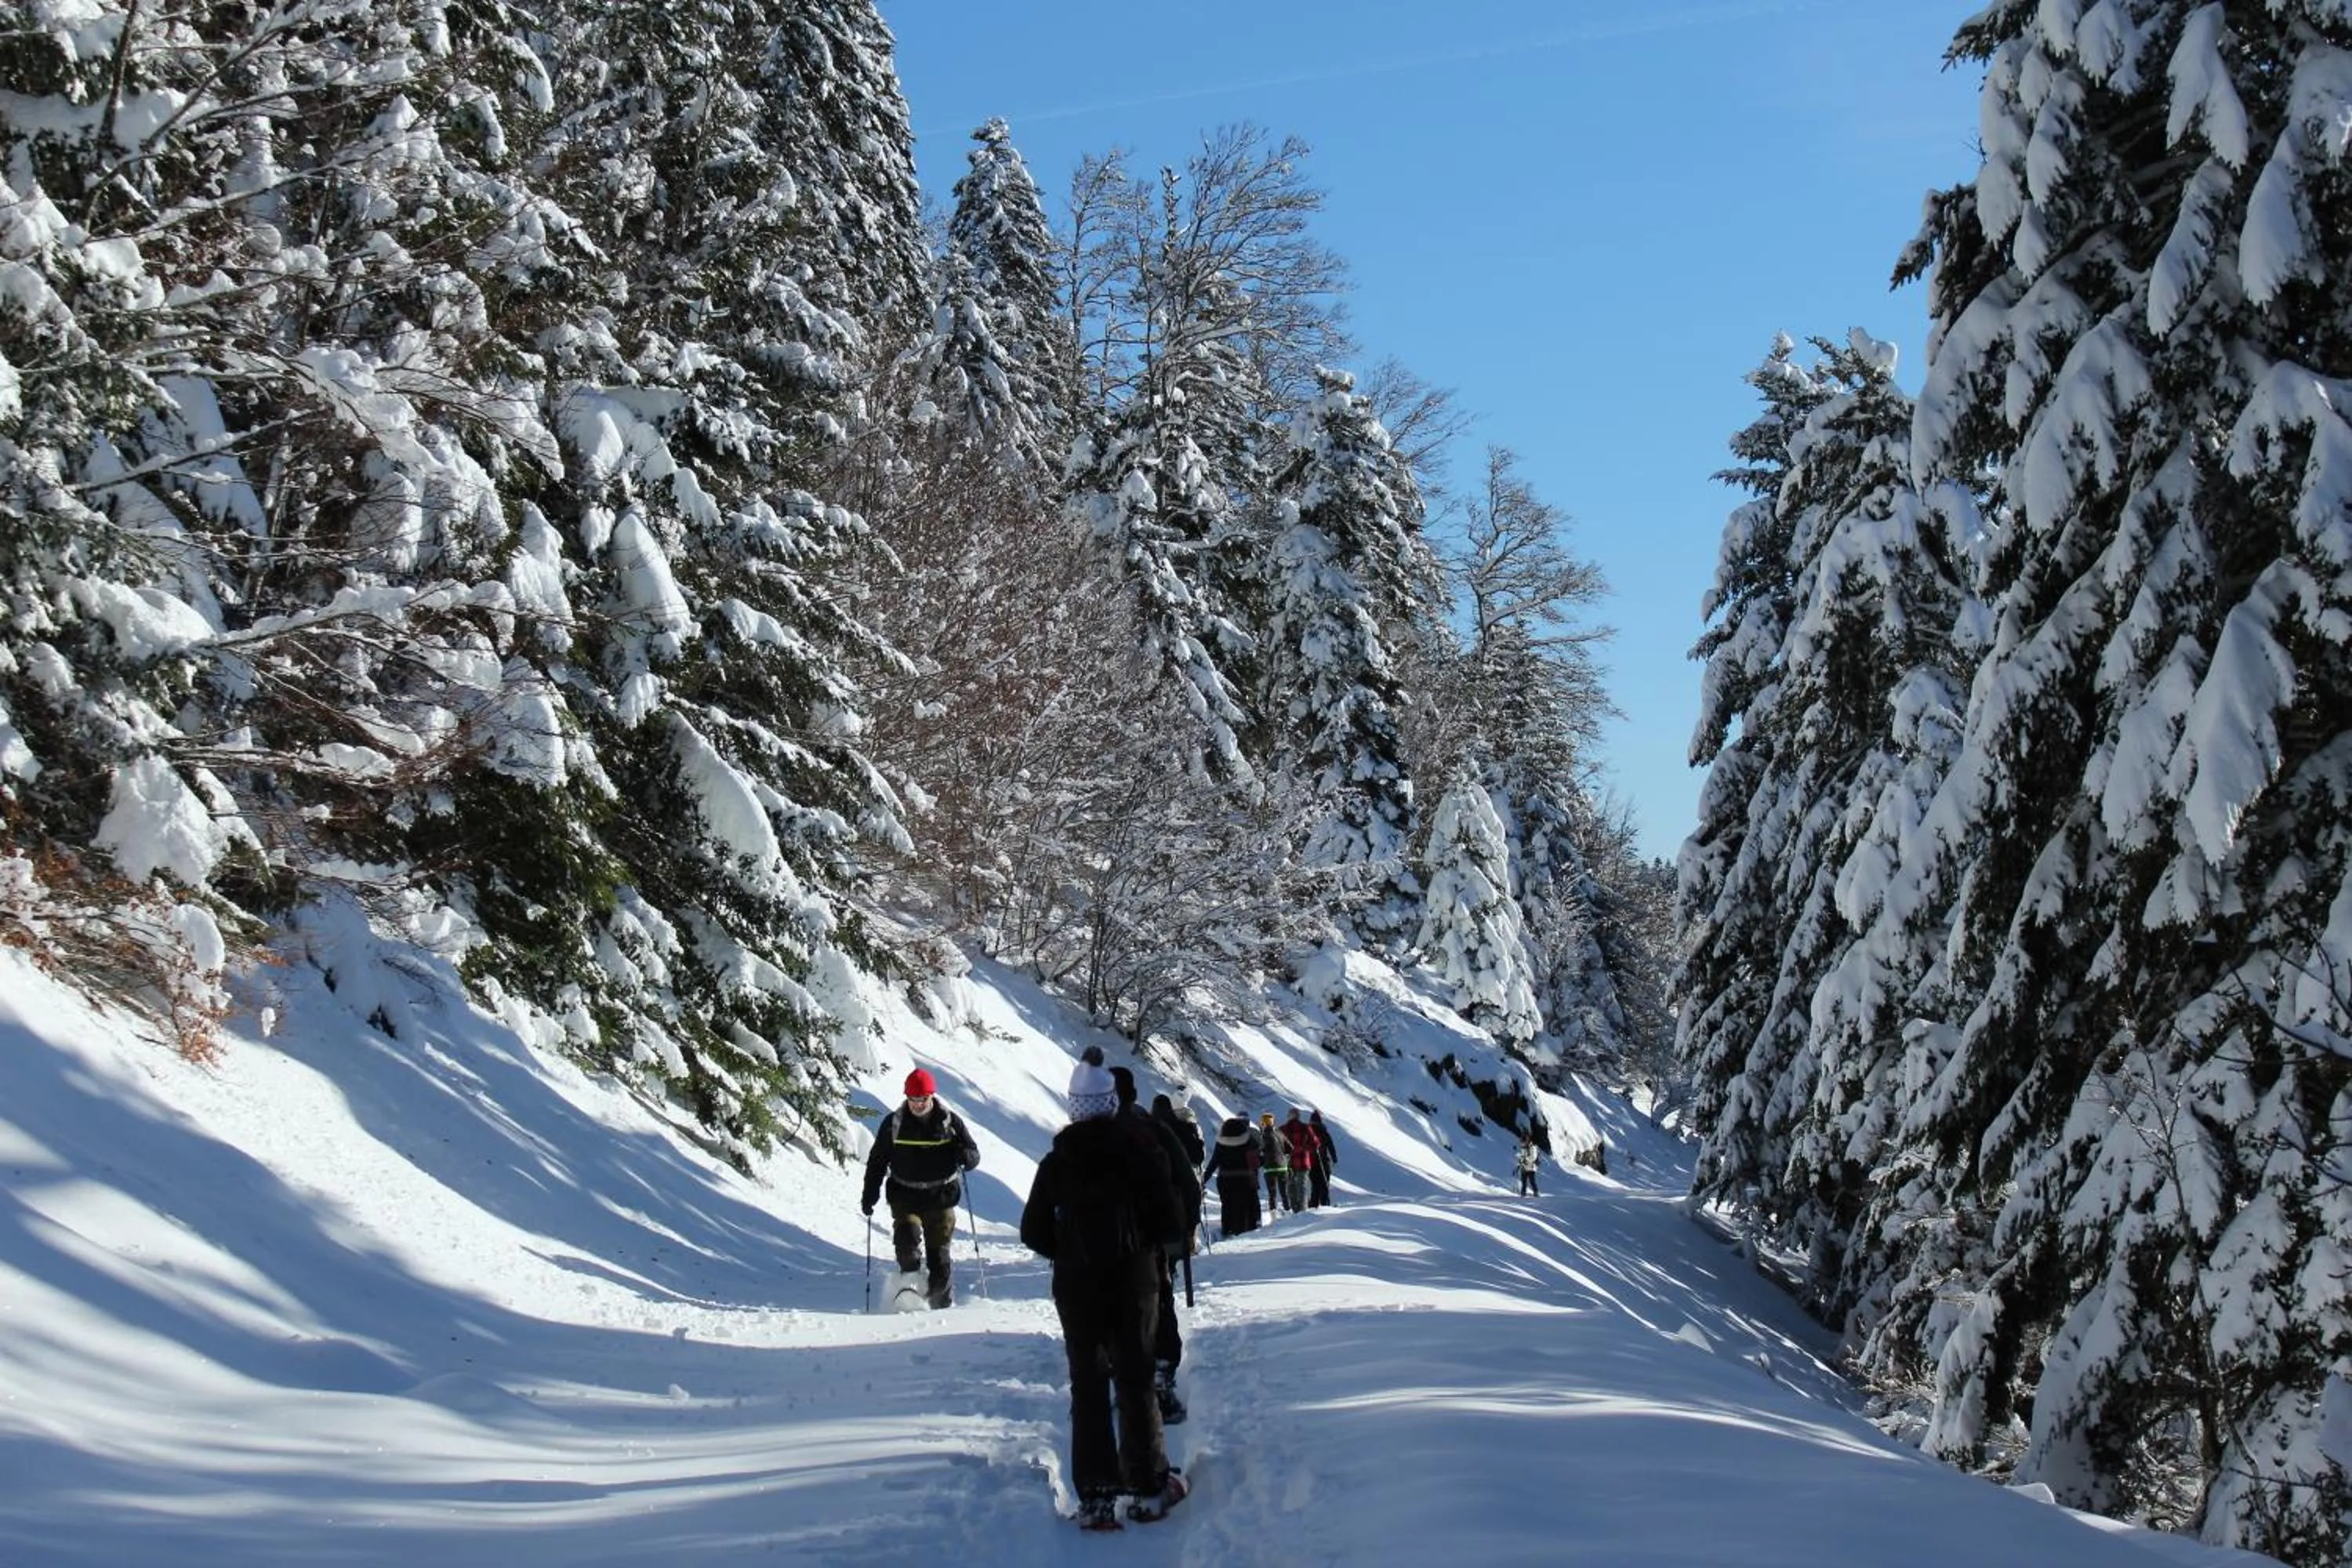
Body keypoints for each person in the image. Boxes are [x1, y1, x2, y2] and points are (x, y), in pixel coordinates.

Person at [1020, 1059, 1190, 1528]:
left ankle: (1095, 1495)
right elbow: (1170, 1222)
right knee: (1135, 1377)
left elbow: (1032, 1231)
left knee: (1089, 1383)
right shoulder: (1141, 1152)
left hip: (1077, 1286)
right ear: (1112, 1104)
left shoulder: (1058, 1162)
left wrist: (1066, 1250)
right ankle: (1148, 1485)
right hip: (1133, 1280)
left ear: (1074, 1108)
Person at [1113, 1068, 1199, 1425]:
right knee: (1160, 1301)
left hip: (1103, 1244)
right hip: (1154, 1239)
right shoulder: (1154, 1130)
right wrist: (1185, 1228)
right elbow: (1189, 1184)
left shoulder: (1086, 1134)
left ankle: (1125, 1376)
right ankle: (1161, 1376)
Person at [860, 1068, 980, 1308]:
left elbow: (973, 1153)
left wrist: (966, 1156)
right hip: (905, 1196)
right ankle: (911, 1293)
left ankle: (941, 1306)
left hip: (941, 1198)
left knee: (939, 1260)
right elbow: (877, 1162)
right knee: (907, 1242)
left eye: (922, 1099)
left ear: (931, 1096)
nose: (917, 1104)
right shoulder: (894, 1124)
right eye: (913, 1099)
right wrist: (869, 1194)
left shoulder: (949, 1122)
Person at [1203, 1115, 1261, 1236]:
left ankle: (1227, 1230)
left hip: (1224, 1179)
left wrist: (1203, 1179)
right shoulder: (1249, 1140)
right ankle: (1246, 1231)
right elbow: (1258, 1159)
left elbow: (1214, 1162)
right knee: (1245, 1207)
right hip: (1244, 1178)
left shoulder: (1221, 1142)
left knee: (1227, 1206)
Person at [1279, 1107, 1315, 1214]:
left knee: (1291, 1187)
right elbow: (1315, 1144)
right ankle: (1302, 1212)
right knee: (1301, 1186)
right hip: (1302, 1161)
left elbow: (1277, 1146)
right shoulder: (1306, 1128)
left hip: (1288, 1162)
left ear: (1289, 1116)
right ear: (1299, 1116)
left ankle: (1295, 1211)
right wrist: (1303, 1148)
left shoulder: (1282, 1129)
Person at [1258, 1111, 1288, 1217]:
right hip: (1283, 1167)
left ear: (1263, 1123)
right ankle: (1289, 1215)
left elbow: (1260, 1151)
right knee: (1284, 1194)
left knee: (1272, 1195)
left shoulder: (1263, 1136)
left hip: (1270, 1168)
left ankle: (1273, 1217)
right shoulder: (1280, 1133)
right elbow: (1290, 1148)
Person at [1308, 1109, 1338, 1208]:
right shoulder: (1324, 1132)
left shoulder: (1308, 1133)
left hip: (1311, 1163)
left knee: (1315, 1186)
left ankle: (1314, 1205)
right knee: (1324, 1184)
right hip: (1323, 1162)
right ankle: (1324, 1205)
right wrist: (1334, 1159)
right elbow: (1331, 1146)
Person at [1515, 1130, 1542, 1197]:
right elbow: (1522, 1156)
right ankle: (1523, 1193)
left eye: (1524, 1141)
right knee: (1523, 1181)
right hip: (1524, 1166)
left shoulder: (1532, 1147)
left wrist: (1524, 1159)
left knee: (1532, 1181)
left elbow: (1533, 1157)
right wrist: (1520, 1162)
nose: (1522, 1143)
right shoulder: (1524, 1147)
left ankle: (1536, 1192)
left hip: (1531, 1167)